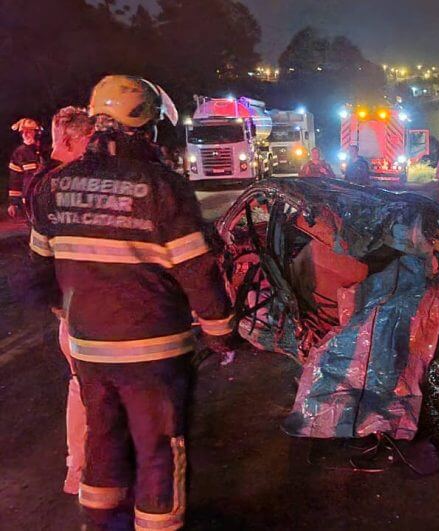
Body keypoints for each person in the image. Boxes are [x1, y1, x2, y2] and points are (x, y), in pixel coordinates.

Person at [29, 75, 236, 530]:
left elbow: (40, 267)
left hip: (89, 348)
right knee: (158, 447)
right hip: (154, 349)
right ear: (149, 126)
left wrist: (70, 315)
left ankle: (98, 523)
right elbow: (196, 270)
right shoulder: (163, 186)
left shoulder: (54, 184)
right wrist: (221, 330)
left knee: (102, 440)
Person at [25, 106, 96, 495]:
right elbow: (42, 258)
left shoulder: (46, 180)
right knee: (87, 388)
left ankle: (81, 469)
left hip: (74, 305)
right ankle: (84, 469)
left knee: (82, 387)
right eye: (87, 142)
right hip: (80, 309)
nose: (92, 151)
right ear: (68, 139)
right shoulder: (55, 182)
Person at [8, 117, 43, 219]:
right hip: (29, 200)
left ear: (37, 133)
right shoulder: (19, 153)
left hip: (47, 198)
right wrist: (13, 203)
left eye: (28, 131)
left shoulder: (47, 150)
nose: (25, 134)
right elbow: (15, 180)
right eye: (23, 132)